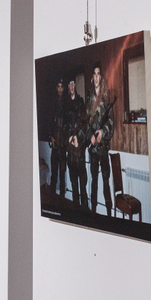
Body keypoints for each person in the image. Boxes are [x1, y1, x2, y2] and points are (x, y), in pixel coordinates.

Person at [85, 63, 115, 215]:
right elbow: (85, 123)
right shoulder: (89, 100)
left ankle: (109, 214)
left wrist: (103, 132)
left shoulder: (106, 97)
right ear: (92, 77)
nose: (96, 77)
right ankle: (93, 212)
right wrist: (90, 136)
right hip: (93, 151)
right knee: (94, 182)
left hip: (103, 149)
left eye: (98, 74)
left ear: (101, 77)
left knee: (106, 182)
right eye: (94, 74)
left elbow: (111, 122)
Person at [64, 78, 88, 208]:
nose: (72, 86)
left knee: (82, 183)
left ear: (75, 85)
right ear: (68, 86)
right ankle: (75, 211)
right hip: (70, 148)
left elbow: (84, 124)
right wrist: (68, 138)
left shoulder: (80, 101)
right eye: (70, 84)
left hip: (79, 148)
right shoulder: (66, 103)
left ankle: (85, 211)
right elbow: (64, 125)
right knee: (74, 183)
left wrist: (78, 138)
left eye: (73, 83)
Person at [48, 79, 67, 195]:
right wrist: (51, 136)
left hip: (63, 142)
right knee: (54, 171)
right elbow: (49, 121)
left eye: (62, 87)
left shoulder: (66, 102)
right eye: (58, 86)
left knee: (62, 172)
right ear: (56, 88)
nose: (60, 89)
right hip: (55, 142)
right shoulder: (52, 102)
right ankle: (52, 196)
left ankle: (62, 197)